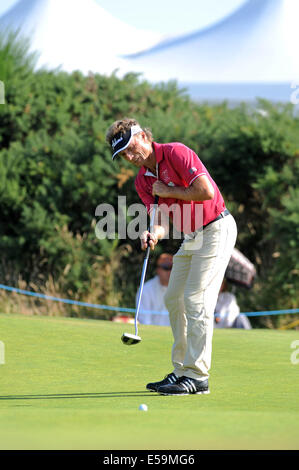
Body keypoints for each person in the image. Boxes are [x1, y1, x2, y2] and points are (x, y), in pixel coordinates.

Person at [106, 117, 237, 396]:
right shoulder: (143, 180)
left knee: (196, 298)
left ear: (143, 136)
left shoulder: (176, 152)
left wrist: (169, 191)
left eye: (131, 148)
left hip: (216, 228)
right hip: (192, 236)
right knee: (173, 297)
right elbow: (161, 218)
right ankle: (181, 372)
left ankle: (198, 376)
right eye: (124, 155)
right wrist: (153, 233)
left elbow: (206, 191)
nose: (130, 157)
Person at [137, 253, 173, 327]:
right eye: (166, 268)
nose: (170, 272)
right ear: (158, 270)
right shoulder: (145, 290)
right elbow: (145, 321)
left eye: (173, 267)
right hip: (152, 334)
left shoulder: (183, 289)